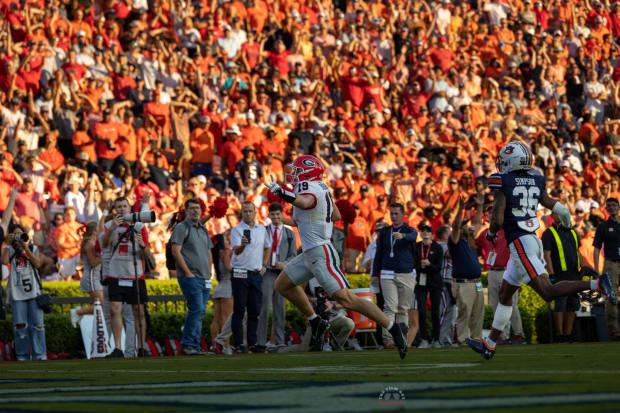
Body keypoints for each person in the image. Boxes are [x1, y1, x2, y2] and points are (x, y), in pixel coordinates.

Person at [468, 142, 616, 360]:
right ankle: (489, 344)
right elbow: (559, 208)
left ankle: (597, 284)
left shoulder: (504, 182)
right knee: (505, 294)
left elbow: (497, 220)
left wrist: (491, 234)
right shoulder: (536, 179)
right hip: (532, 240)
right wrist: (566, 225)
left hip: (519, 243)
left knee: (547, 291)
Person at [265, 154, 409, 359]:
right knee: (282, 285)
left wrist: (282, 192)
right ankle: (316, 321)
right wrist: (285, 221)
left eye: (298, 170)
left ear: (308, 172)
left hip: (320, 252)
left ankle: (393, 328)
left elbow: (305, 203)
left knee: (347, 299)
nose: (294, 175)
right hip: (310, 252)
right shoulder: (321, 187)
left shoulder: (309, 189)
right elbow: (335, 216)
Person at [101, 197, 153, 358]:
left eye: (124, 206)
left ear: (130, 208)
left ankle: (141, 347)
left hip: (135, 274)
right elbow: (103, 245)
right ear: (115, 209)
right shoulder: (110, 225)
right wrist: (111, 229)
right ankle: (118, 348)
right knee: (114, 309)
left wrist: (142, 245)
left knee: (139, 311)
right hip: (116, 273)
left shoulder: (139, 225)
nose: (122, 209)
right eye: (119, 207)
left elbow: (148, 254)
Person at [171, 198, 214, 355]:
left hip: (204, 277)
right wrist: (188, 273)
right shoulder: (181, 228)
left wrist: (209, 272)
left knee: (200, 312)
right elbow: (175, 251)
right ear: (186, 211)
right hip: (190, 277)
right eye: (192, 209)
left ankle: (194, 346)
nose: (196, 211)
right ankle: (188, 344)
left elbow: (209, 251)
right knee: (197, 309)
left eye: (198, 208)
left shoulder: (203, 230)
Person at [372, 203, 417, 348]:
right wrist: (374, 273)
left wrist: (403, 236)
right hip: (387, 273)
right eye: (391, 213)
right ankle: (389, 339)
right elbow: (379, 253)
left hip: (406, 273)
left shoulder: (408, 229)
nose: (393, 216)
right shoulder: (385, 232)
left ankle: (401, 337)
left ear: (403, 214)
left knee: (403, 308)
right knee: (390, 307)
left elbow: (414, 236)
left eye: (396, 213)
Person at [230, 201, 271, 353]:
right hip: (240, 272)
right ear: (241, 213)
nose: (248, 214)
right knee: (239, 309)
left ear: (255, 212)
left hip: (255, 273)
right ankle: (239, 344)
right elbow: (236, 251)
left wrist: (264, 265)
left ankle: (252, 343)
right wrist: (242, 245)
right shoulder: (237, 230)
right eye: (245, 211)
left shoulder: (262, 229)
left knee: (255, 310)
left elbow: (267, 247)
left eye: (250, 211)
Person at [3, 222, 47, 360]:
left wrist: (25, 247)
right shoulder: (9, 250)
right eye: (14, 234)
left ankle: (40, 354)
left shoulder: (32, 248)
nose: (17, 237)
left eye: (19, 234)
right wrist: (8, 244)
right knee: (20, 326)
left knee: (38, 325)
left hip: (33, 291)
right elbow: (4, 262)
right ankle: (22, 355)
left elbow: (38, 264)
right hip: (17, 293)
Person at [258, 203, 297, 350]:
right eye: (272, 214)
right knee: (264, 307)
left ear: (282, 215)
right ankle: (260, 342)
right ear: (268, 215)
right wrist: (261, 264)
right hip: (267, 271)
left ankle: (279, 341)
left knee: (280, 308)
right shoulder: (263, 231)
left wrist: (285, 264)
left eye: (278, 214)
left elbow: (293, 255)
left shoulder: (289, 233)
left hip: (281, 272)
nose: (275, 217)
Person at [476, 226, 525, 344]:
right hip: (492, 271)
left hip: (508, 270)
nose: (491, 215)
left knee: (512, 304)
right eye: (489, 213)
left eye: (493, 212)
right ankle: (501, 336)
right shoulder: (485, 233)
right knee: (495, 305)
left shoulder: (509, 231)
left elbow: (518, 252)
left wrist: (519, 276)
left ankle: (519, 334)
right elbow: (475, 245)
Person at [542, 212, 582, 343]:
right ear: (553, 216)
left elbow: (578, 251)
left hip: (574, 274)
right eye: (558, 214)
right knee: (560, 304)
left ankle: (568, 334)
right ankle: (559, 335)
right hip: (559, 275)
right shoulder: (549, 233)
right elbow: (547, 255)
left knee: (572, 304)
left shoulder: (573, 232)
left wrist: (582, 267)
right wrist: (551, 274)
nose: (562, 216)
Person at [450, 194, 485, 345]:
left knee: (478, 313)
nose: (467, 226)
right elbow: (456, 226)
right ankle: (463, 340)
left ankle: (476, 339)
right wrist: (461, 208)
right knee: (465, 313)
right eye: (465, 224)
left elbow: (477, 222)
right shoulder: (455, 240)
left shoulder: (470, 238)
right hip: (463, 283)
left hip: (476, 282)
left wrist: (480, 206)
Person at [593, 197, 620, 341]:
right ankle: (614, 332)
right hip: (611, 263)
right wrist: (596, 269)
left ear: (618, 207)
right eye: (608, 205)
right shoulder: (603, 226)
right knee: (611, 297)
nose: (611, 207)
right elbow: (596, 248)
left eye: (614, 205)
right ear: (606, 209)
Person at [414, 224, 444, 348]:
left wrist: (429, 264)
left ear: (432, 234)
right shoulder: (416, 247)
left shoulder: (437, 247)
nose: (425, 233)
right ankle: (424, 339)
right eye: (423, 231)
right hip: (420, 282)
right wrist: (419, 266)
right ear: (420, 234)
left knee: (435, 311)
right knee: (421, 310)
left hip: (434, 282)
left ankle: (436, 339)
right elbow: (412, 263)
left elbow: (438, 267)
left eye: (428, 231)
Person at [70, 221, 103, 326]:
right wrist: (104, 256)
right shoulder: (89, 243)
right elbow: (93, 262)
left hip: (94, 277)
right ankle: (77, 312)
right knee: (101, 305)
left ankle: (83, 315)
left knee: (100, 305)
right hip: (91, 277)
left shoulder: (92, 242)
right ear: (94, 231)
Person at [54, 206, 84, 280]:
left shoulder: (80, 226)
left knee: (81, 274)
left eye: (72, 214)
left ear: (75, 215)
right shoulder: (61, 228)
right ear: (64, 216)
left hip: (78, 254)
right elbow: (60, 244)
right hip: (66, 255)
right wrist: (75, 245)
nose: (70, 215)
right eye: (68, 214)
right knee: (67, 278)